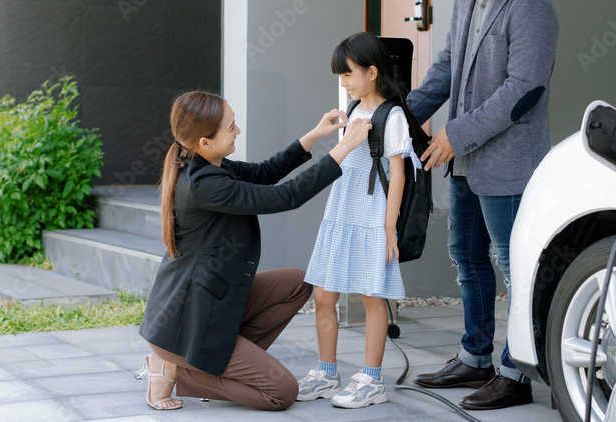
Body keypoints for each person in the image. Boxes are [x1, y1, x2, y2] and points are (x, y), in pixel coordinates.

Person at [137, 91, 372, 411]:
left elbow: (264, 173)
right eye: (230, 126)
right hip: (186, 326)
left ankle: (210, 364)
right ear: (205, 142)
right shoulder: (205, 184)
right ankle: (178, 369)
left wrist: (316, 135)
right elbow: (284, 197)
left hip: (207, 304)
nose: (237, 130)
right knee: (282, 393)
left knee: (298, 282)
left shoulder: (205, 162)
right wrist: (343, 148)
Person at [406, 0, 559, 410]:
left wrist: (457, 133)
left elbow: (525, 86)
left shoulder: (532, 8)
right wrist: (399, 117)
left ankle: (516, 373)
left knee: (518, 270)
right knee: (467, 257)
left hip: (508, 159)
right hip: (465, 159)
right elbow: (447, 65)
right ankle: (475, 358)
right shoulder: (466, 3)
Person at [296, 32, 426, 409]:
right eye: (340, 75)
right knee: (323, 294)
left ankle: (371, 380)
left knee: (372, 296)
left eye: (348, 74)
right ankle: (326, 372)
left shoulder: (393, 114)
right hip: (341, 210)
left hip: (372, 215)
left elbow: (398, 174)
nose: (343, 82)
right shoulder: (353, 111)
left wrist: (389, 228)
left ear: (372, 72)